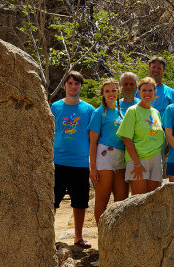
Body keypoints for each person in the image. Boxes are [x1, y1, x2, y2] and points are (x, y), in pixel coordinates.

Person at [51, 71, 95, 249]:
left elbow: (93, 138)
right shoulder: (55, 107)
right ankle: (47, 237)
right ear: (64, 86)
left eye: (76, 84)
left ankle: (78, 237)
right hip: (57, 162)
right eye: (70, 83)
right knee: (52, 201)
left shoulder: (89, 110)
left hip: (80, 163)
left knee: (80, 203)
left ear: (80, 86)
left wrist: (92, 163)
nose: (73, 87)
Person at [88, 78, 128, 225]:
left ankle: (117, 235)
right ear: (102, 94)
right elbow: (92, 141)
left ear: (118, 91)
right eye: (107, 91)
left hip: (121, 157)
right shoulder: (99, 113)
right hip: (104, 156)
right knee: (102, 199)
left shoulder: (122, 113)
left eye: (113, 90)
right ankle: (101, 234)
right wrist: (93, 167)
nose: (111, 94)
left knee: (121, 199)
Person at [117, 77, 165, 195]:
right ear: (138, 92)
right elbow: (127, 139)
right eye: (144, 90)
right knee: (139, 201)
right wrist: (137, 163)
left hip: (156, 159)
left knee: (154, 199)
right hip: (138, 159)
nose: (147, 93)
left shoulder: (156, 112)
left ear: (155, 92)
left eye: (150, 90)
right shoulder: (132, 111)